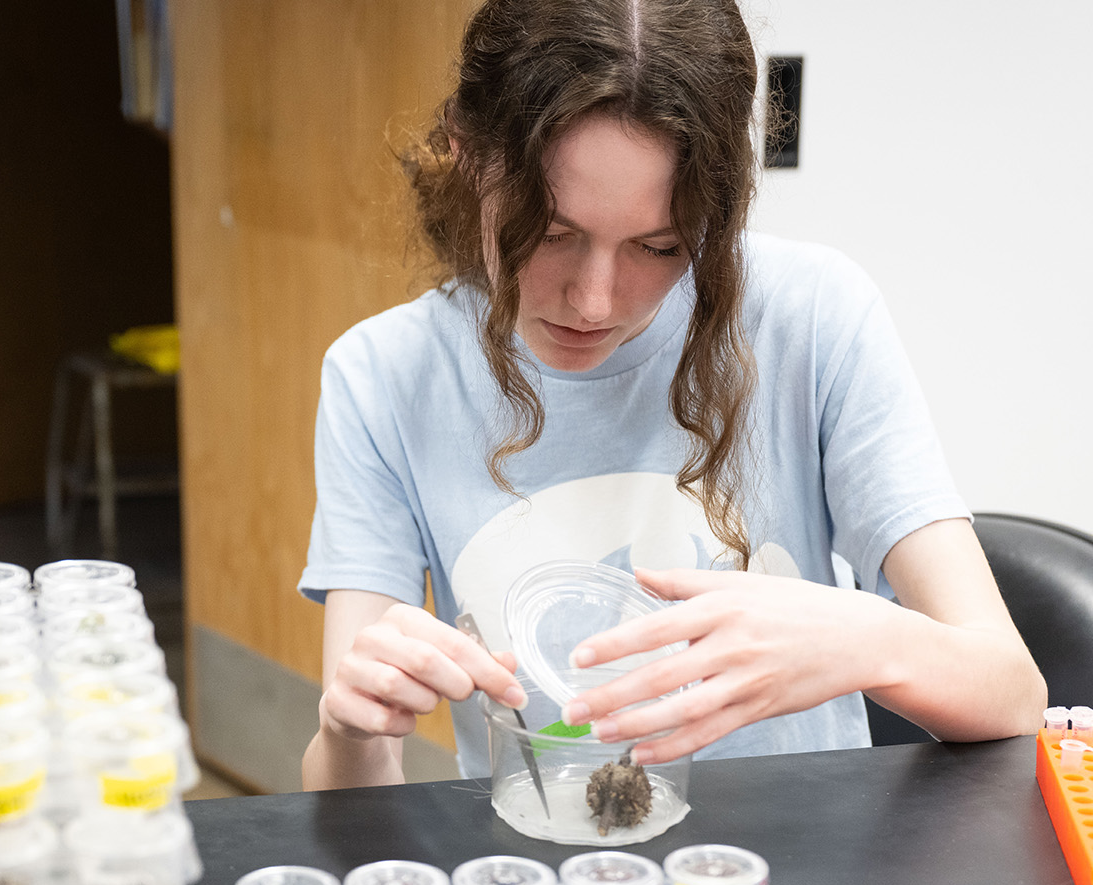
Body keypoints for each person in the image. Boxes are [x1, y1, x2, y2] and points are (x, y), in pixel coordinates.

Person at [298, 0, 1045, 790]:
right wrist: (349, 728)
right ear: (464, 155)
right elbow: (348, 803)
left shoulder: (814, 316)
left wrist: (863, 637)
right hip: (542, 882)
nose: (593, 300)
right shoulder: (382, 375)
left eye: (659, 247)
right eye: (549, 233)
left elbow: (1012, 691)